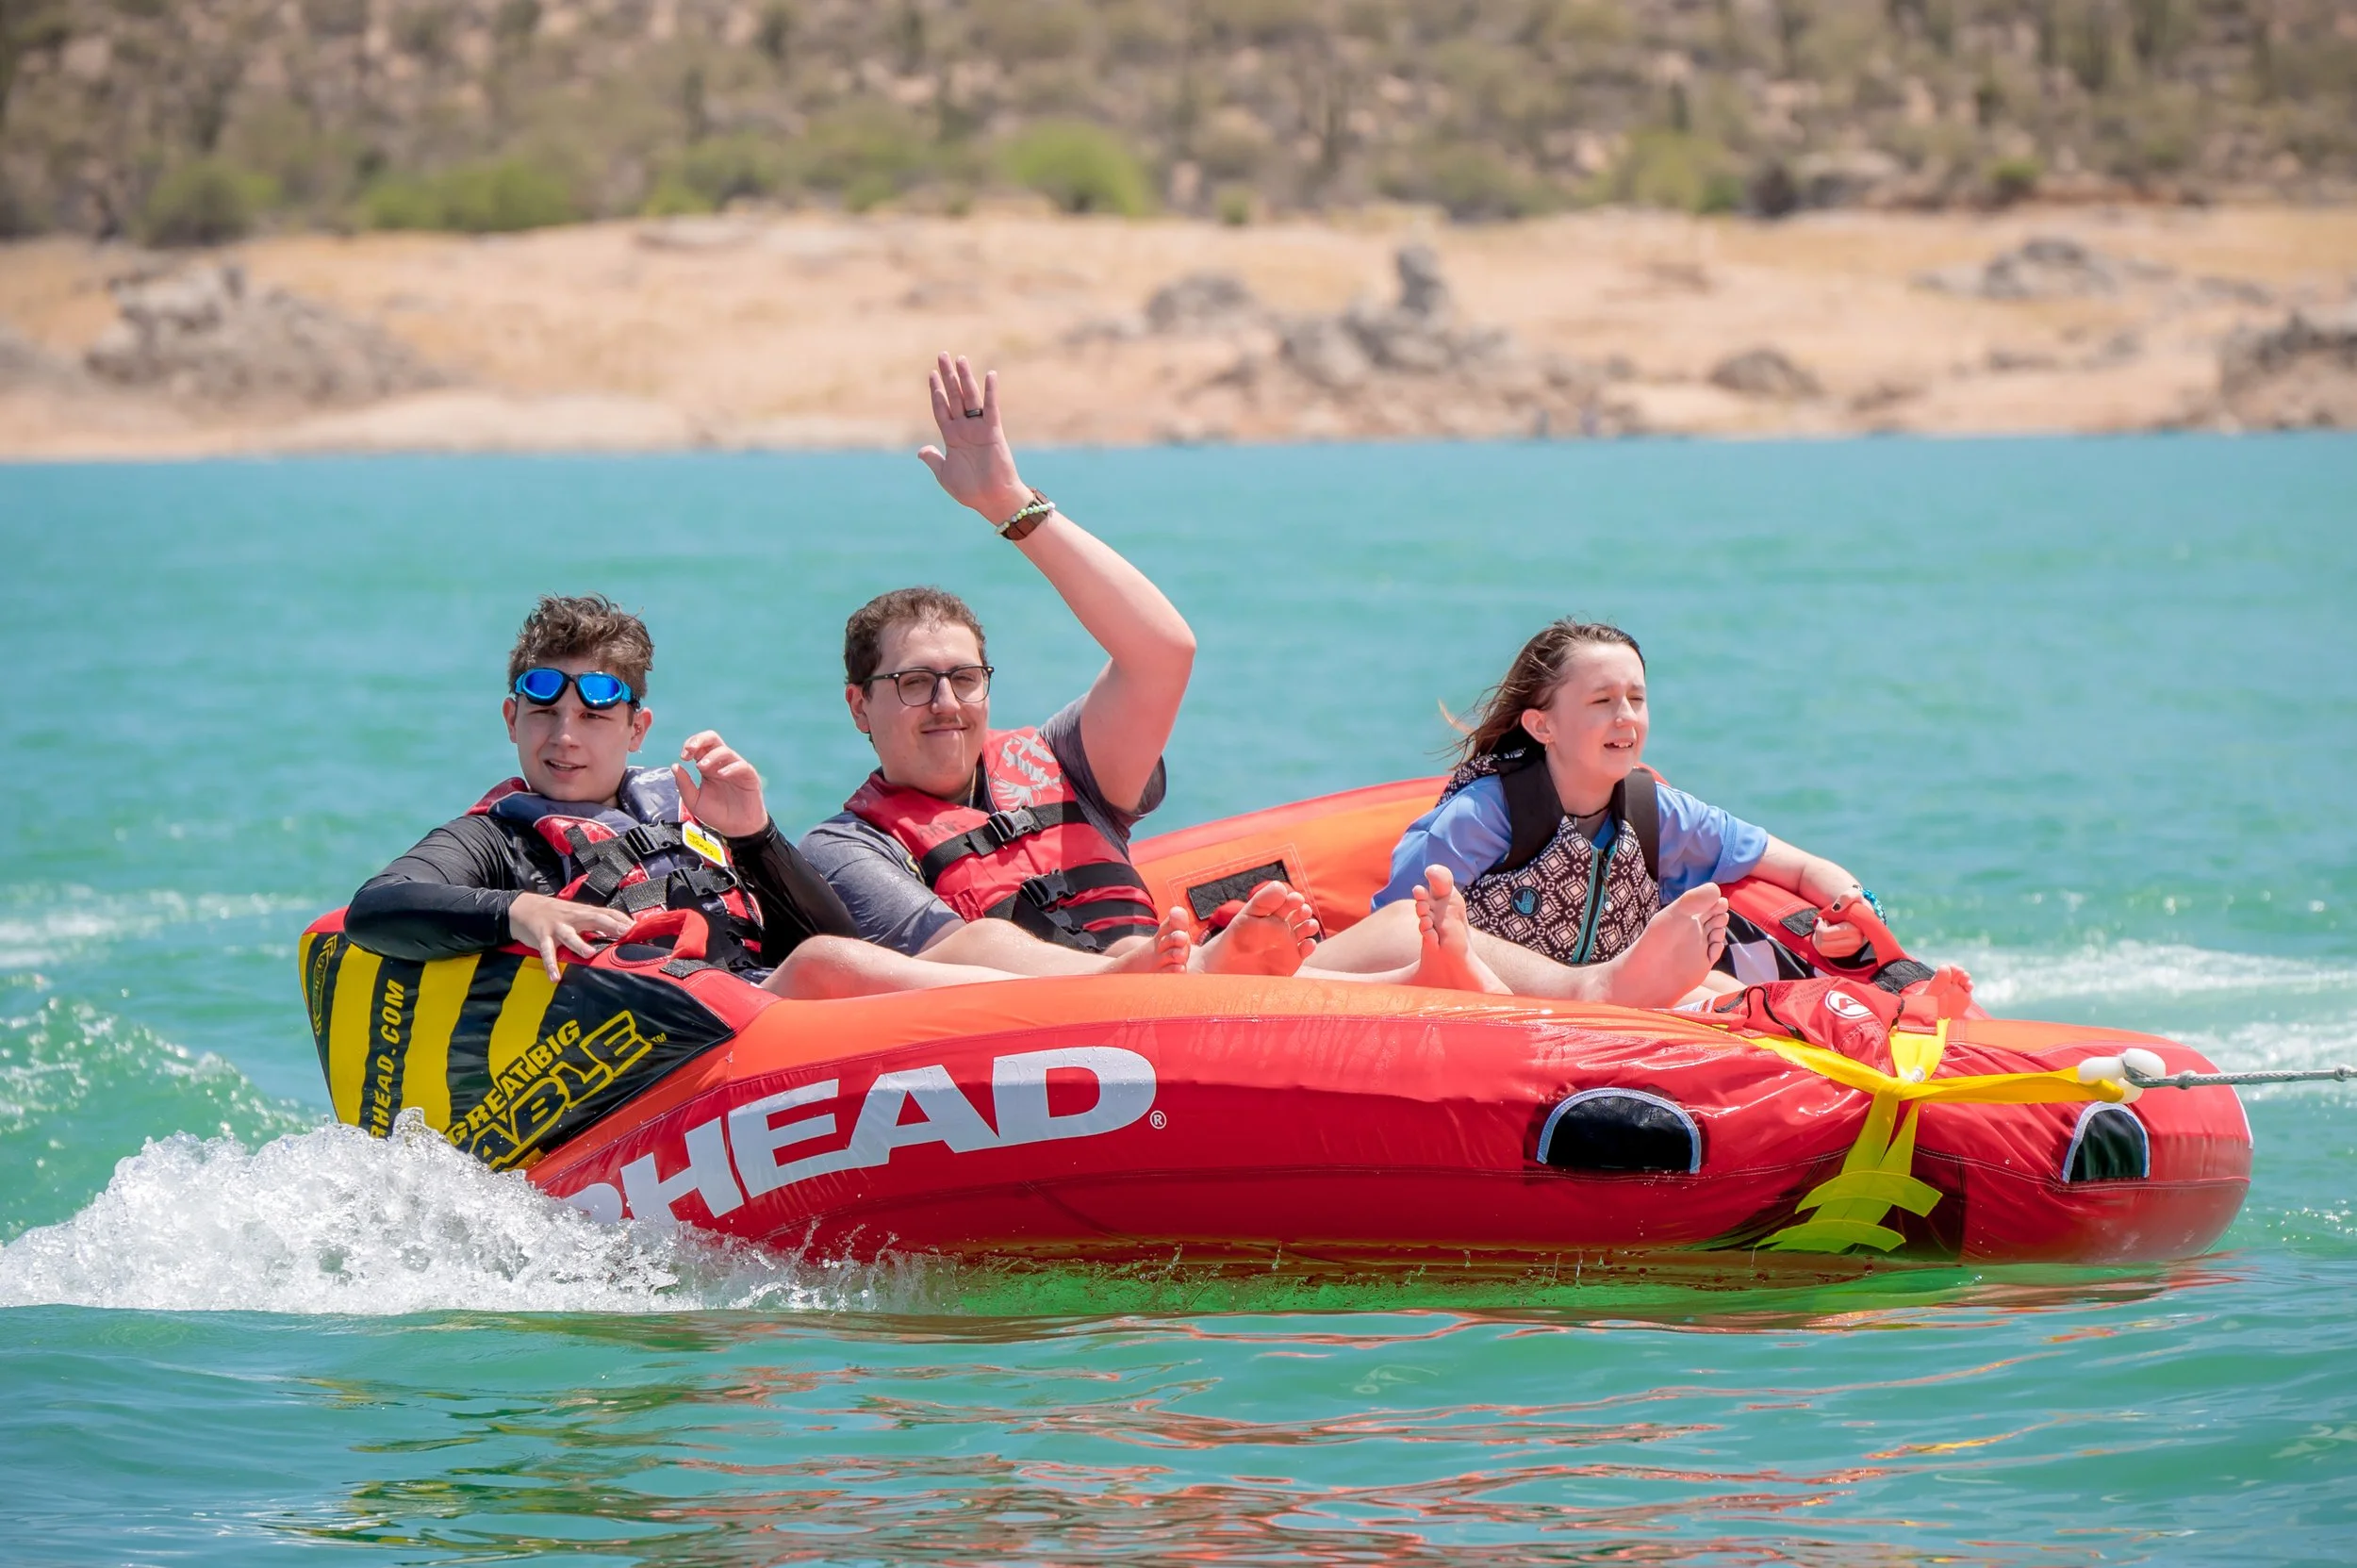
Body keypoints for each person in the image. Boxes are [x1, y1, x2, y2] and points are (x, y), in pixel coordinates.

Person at [345, 595, 1164, 999]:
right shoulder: (498, 840)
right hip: (672, 1047)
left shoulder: (687, 814)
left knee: (850, 955)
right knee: (825, 967)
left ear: (636, 730)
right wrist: (517, 913)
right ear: (510, 719)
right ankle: (1106, 997)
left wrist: (756, 837)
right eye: (543, 714)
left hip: (761, 1030)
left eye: (594, 715)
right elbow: (375, 908)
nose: (565, 736)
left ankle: (1120, 994)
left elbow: (837, 934)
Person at [801, 353, 1322, 981]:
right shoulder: (844, 850)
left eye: (965, 678)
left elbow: (1163, 653)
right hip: (1062, 1016)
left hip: (1176, 976)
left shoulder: (1067, 761)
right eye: (915, 682)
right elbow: (955, 963)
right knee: (977, 940)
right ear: (859, 704)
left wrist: (1008, 503)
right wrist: (1118, 971)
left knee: (1400, 927)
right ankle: (1143, 976)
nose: (947, 702)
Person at [1304, 619, 1917, 1008]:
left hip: (1613, 985)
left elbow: (1804, 867)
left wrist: (1855, 912)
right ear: (1542, 724)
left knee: (1732, 993)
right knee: (1431, 940)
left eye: (1637, 698)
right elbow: (1395, 930)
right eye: (1602, 700)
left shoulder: (1658, 813)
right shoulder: (1483, 814)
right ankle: (1605, 990)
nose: (1626, 715)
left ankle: (1869, 1007)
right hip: (1484, 986)